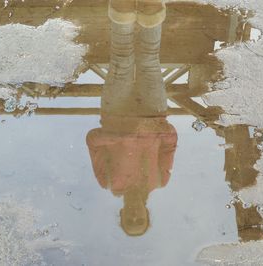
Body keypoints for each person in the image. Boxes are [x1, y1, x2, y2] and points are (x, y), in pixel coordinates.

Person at [86, 0, 177, 236]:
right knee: (149, 59)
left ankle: (123, 6)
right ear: (147, 214)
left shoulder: (107, 181)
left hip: (115, 111)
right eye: (140, 219)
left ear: (122, 214)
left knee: (122, 59)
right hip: (153, 111)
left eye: (130, 219)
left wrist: (120, 135)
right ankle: (151, 5)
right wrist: (155, 126)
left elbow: (93, 140)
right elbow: (170, 141)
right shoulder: (159, 180)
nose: (135, 215)